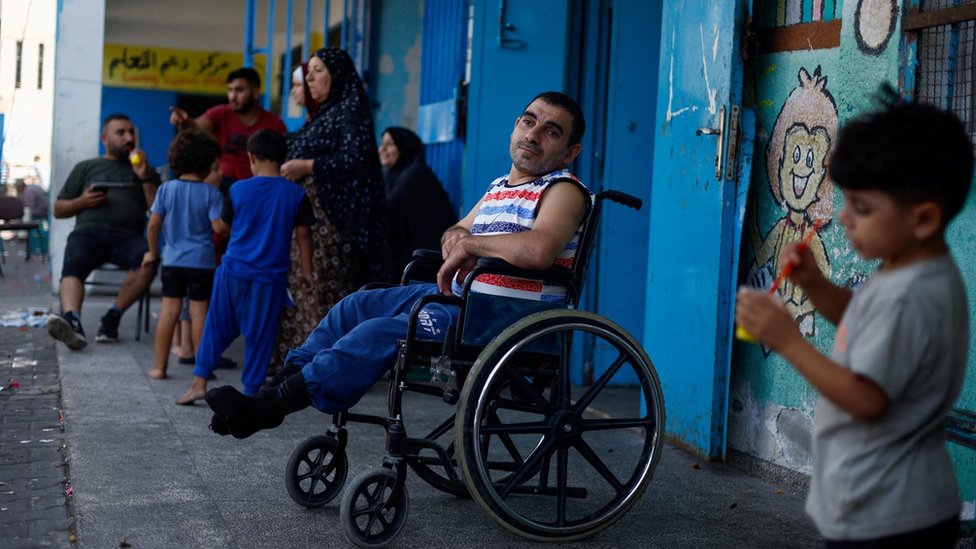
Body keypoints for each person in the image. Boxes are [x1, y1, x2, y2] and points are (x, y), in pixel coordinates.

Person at [204, 91, 590, 439]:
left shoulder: (564, 190)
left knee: (379, 332)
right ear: (515, 126)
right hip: (459, 299)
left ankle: (268, 407)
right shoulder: (499, 187)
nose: (533, 134)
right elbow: (456, 229)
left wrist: (471, 242)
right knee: (355, 305)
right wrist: (458, 239)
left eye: (551, 131)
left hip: (502, 317)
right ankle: (269, 398)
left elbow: (539, 249)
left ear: (571, 151)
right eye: (528, 120)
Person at [735, 96, 973, 548]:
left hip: (891, 517)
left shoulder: (913, 297)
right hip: (885, 502)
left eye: (861, 208)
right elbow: (863, 320)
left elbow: (868, 400)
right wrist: (815, 285)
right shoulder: (907, 268)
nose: (844, 218)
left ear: (923, 217)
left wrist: (787, 341)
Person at [270, 47, 388, 371]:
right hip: (312, 219)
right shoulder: (325, 113)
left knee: (322, 288)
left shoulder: (348, 109)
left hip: (332, 222)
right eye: (308, 74)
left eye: (317, 71)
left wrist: (307, 165)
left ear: (337, 75)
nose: (310, 78)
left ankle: (326, 366)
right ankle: (301, 362)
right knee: (305, 288)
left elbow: (357, 159)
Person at [176, 129, 315, 404]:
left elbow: (225, 228)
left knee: (215, 328)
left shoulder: (238, 189)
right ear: (283, 157)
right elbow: (303, 236)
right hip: (270, 278)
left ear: (251, 157)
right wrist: (308, 274)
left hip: (233, 272)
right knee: (260, 336)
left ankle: (199, 383)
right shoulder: (296, 194)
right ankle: (251, 394)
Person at [47, 113, 161, 349]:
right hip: (88, 233)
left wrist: (144, 176)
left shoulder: (144, 171)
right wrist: (83, 202)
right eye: (121, 133)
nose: (128, 137)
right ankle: (72, 321)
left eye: (131, 132)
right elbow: (58, 209)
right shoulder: (86, 167)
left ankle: (112, 318)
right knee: (73, 264)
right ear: (104, 138)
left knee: (148, 260)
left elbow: (155, 207)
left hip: (128, 237)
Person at [143, 130, 225, 380]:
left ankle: (159, 367)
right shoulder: (212, 193)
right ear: (207, 163)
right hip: (201, 261)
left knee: (170, 311)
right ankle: (202, 370)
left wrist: (153, 251)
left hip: (173, 260)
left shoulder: (166, 189)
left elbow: (154, 224)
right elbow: (218, 228)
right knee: (200, 313)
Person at [168, 67, 287, 192]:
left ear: (255, 91)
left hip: (259, 188)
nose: (232, 97)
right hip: (223, 185)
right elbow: (195, 127)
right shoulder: (221, 113)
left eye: (239, 90)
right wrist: (183, 121)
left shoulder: (275, 123)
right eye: (230, 90)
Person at [378, 127, 457, 277]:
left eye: (390, 144)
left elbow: (388, 208)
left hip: (422, 262)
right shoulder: (393, 175)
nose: (382, 149)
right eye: (382, 144)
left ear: (404, 146)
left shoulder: (415, 175)